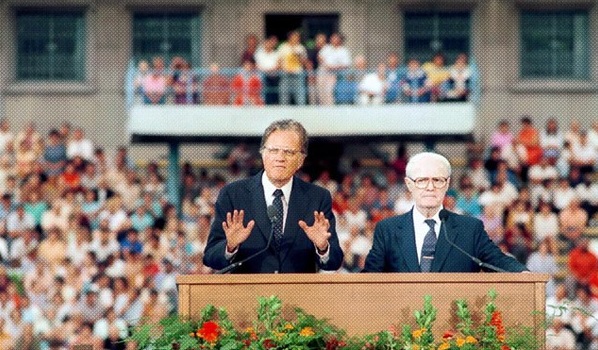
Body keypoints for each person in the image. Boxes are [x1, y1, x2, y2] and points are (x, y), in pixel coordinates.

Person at [203, 119, 343, 273]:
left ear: (300, 160)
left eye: (288, 152)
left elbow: (334, 261)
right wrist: (230, 247)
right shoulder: (233, 195)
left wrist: (323, 248)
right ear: (263, 154)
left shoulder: (317, 197)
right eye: (273, 150)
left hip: (298, 294)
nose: (280, 158)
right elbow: (210, 258)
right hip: (248, 294)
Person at [362, 152, 527, 273]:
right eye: (422, 180)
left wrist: (524, 274)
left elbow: (498, 261)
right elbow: (368, 279)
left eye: (437, 180)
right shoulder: (388, 230)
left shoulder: (470, 229)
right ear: (409, 184)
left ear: (447, 184)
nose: (430, 187)